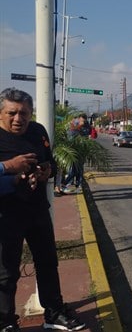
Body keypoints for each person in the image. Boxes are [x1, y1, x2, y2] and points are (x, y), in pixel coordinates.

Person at [0, 88, 86, 331]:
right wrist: (8, 166)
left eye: (24, 113)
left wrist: (46, 172)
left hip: (37, 209)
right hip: (6, 214)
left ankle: (54, 313)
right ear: (1, 113)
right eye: (12, 113)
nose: (19, 119)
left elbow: (49, 162)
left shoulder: (38, 131)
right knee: (6, 271)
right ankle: (6, 321)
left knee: (48, 262)